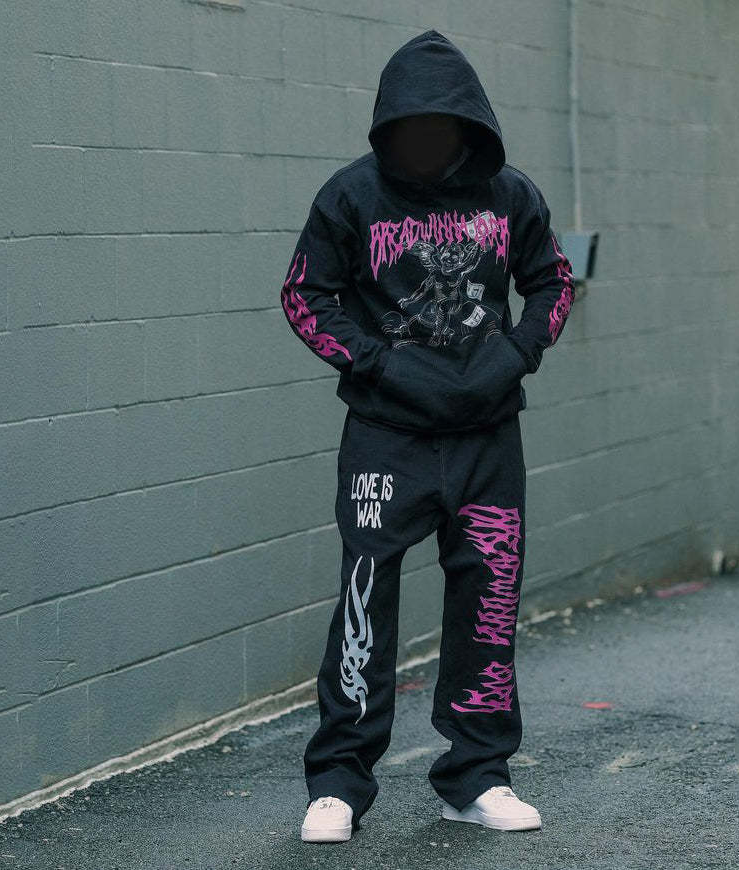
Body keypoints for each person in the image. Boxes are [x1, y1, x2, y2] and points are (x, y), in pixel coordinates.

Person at [280, 29, 574, 843]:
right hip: (387, 437)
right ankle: (338, 783)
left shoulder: (509, 195)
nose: (426, 141)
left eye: (441, 128)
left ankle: (476, 777)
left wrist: (516, 353)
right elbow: (305, 295)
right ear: (389, 125)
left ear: (467, 125)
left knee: (488, 599)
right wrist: (380, 364)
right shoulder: (351, 195)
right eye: (411, 128)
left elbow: (552, 281)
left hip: (487, 440)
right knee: (365, 599)